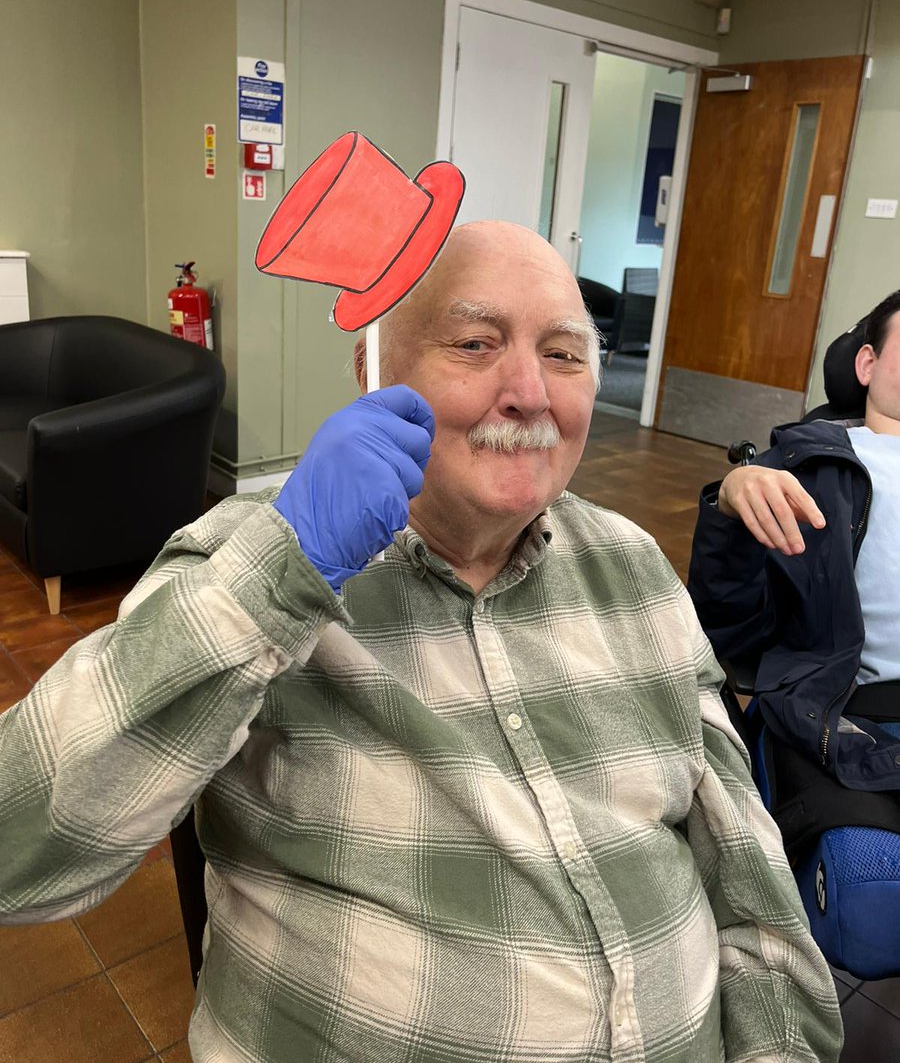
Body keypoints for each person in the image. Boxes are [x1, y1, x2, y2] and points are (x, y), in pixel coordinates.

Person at [0, 222, 841, 1062]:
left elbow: (750, 878)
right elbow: (19, 848)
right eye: (475, 344)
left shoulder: (636, 568)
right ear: (374, 372)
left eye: (563, 355)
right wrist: (277, 577)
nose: (529, 393)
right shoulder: (244, 562)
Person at [689, 290, 900, 798]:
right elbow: (732, 627)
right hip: (860, 710)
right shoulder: (809, 467)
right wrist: (730, 503)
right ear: (867, 364)